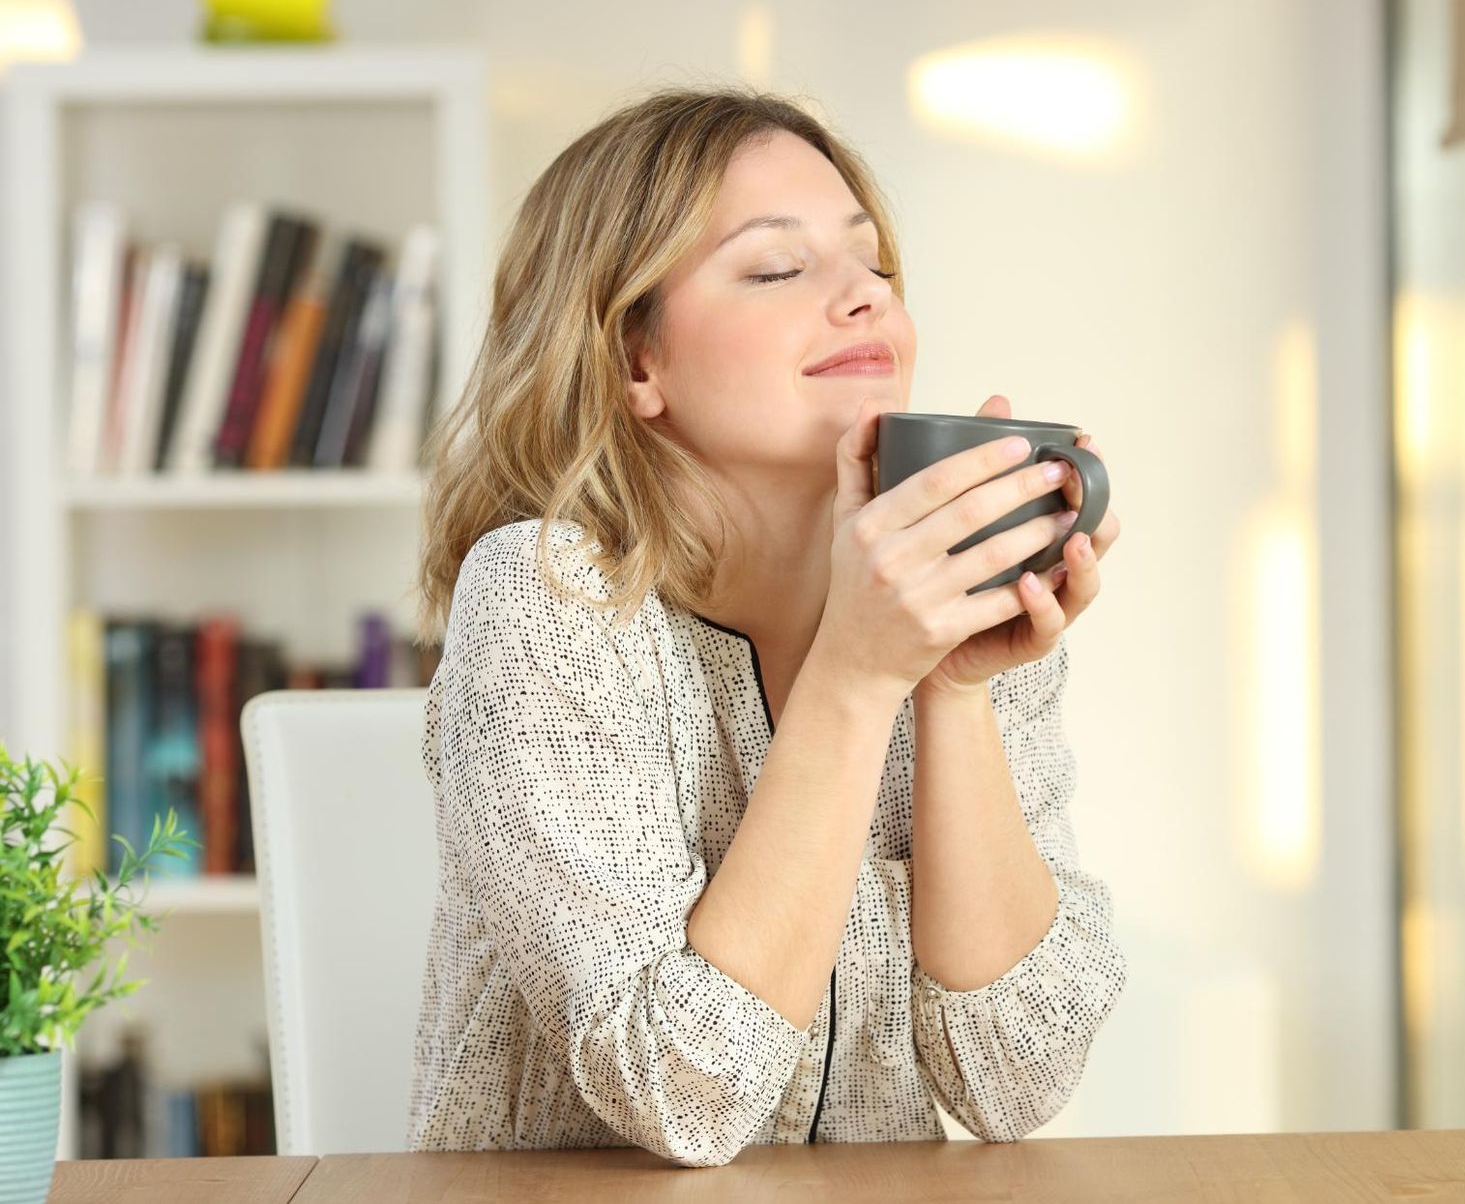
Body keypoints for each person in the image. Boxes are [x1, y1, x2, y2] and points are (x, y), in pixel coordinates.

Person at [404, 87, 1127, 1168]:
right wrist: (855, 677)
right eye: (779, 269)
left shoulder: (950, 599)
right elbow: (680, 1094)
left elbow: (1015, 1080)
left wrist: (952, 683)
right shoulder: (547, 602)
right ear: (633, 360)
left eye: (874, 265)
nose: (862, 302)